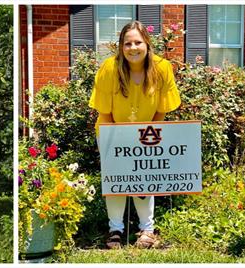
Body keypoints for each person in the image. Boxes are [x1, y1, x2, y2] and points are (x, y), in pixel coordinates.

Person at [88, 21, 181, 249]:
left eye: (138, 42)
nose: (133, 47)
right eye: (127, 43)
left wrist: (148, 138)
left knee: (143, 179)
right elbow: (105, 113)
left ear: (147, 44)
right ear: (121, 47)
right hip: (112, 129)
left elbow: (161, 109)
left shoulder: (162, 68)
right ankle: (115, 230)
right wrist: (117, 150)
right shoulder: (110, 68)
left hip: (146, 132)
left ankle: (147, 230)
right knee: (117, 180)